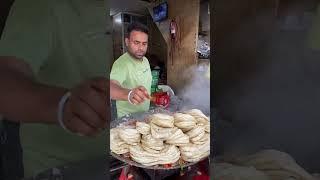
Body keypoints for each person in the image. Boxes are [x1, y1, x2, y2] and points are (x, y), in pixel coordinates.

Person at [0, 0, 110, 178]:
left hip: (109, 164)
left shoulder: (106, 8)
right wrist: (63, 105)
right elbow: (5, 77)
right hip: (58, 170)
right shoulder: (40, 5)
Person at [110, 22, 152, 118]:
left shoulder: (145, 60)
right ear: (127, 42)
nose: (141, 48)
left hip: (144, 114)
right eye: (136, 43)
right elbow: (110, 87)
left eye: (144, 44)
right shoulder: (121, 64)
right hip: (128, 119)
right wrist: (129, 94)